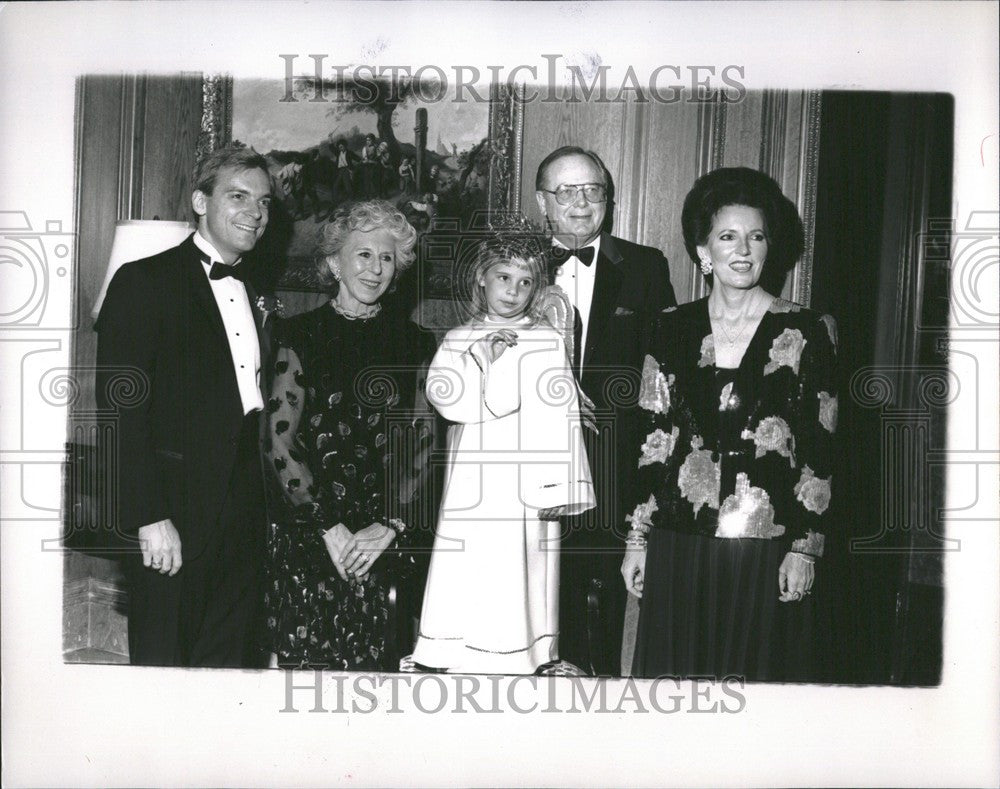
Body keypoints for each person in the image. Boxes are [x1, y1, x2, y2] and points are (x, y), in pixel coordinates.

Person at [621, 166, 837, 681]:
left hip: (764, 546)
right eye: (727, 236)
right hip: (679, 540)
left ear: (769, 248)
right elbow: (653, 440)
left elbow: (819, 447)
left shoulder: (807, 329)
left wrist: (805, 548)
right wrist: (636, 539)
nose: (743, 249)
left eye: (756, 236)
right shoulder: (670, 327)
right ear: (703, 250)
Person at [95, 145, 274, 667]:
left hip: (243, 511)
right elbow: (120, 412)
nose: (255, 213)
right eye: (238, 196)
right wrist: (148, 516)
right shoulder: (144, 281)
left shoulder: (257, 287)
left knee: (227, 666)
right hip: (172, 512)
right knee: (162, 668)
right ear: (200, 200)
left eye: (263, 202)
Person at [411, 226, 595, 675]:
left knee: (520, 569)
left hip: (526, 485)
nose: (512, 292)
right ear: (481, 278)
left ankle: (524, 655)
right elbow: (446, 398)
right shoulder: (459, 338)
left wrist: (560, 489)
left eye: (525, 282)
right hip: (472, 483)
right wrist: (482, 360)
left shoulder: (546, 340)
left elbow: (562, 415)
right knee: (472, 563)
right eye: (503, 278)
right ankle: (456, 651)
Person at [265, 200, 436, 671]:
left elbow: (421, 441)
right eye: (363, 255)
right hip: (311, 531)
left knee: (380, 689)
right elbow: (280, 439)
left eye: (386, 258)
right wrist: (327, 525)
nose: (375, 268)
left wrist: (391, 526)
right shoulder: (296, 335)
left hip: (386, 533)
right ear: (332, 264)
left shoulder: (416, 342)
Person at [533, 145, 677, 675]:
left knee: (603, 618)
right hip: (530, 466)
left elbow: (661, 373)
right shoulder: (509, 267)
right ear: (542, 201)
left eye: (592, 190)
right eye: (566, 191)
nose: (580, 202)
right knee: (531, 603)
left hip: (612, 468)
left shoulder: (645, 266)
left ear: (608, 200)